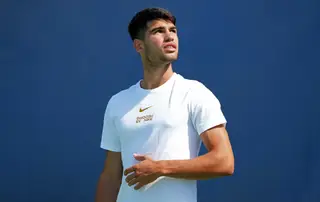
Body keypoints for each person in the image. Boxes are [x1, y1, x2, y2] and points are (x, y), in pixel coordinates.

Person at [95, 7, 234, 202]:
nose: (170, 36)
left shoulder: (194, 92)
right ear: (139, 46)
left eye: (173, 30)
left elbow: (224, 161)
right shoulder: (118, 102)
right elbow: (110, 176)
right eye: (158, 31)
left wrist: (160, 168)